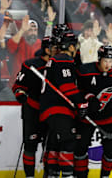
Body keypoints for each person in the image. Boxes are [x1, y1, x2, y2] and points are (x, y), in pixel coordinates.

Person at [39, 28, 88, 177]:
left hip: (49, 109)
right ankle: (67, 175)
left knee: (54, 143)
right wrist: (81, 103)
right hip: (58, 109)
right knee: (68, 141)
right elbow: (67, 86)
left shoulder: (54, 60)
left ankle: (51, 174)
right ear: (71, 47)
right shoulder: (64, 60)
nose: (77, 49)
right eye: (75, 46)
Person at [75, 45, 112, 178]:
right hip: (87, 118)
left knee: (111, 149)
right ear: (99, 59)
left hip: (109, 117)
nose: (108, 64)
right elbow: (77, 91)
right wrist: (86, 99)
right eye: (105, 61)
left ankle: (105, 176)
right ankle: (81, 175)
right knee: (80, 148)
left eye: (111, 61)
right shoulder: (85, 71)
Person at [12, 36, 54, 178]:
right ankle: (30, 176)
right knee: (30, 146)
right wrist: (20, 94)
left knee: (50, 148)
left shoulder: (59, 65)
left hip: (50, 113)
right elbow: (18, 85)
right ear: (47, 49)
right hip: (33, 111)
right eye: (55, 47)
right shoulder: (30, 64)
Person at [7, 16, 42, 86]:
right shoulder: (19, 40)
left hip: (34, 81)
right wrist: (22, 30)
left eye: (35, 30)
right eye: (30, 30)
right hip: (17, 81)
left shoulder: (39, 43)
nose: (33, 33)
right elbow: (10, 46)